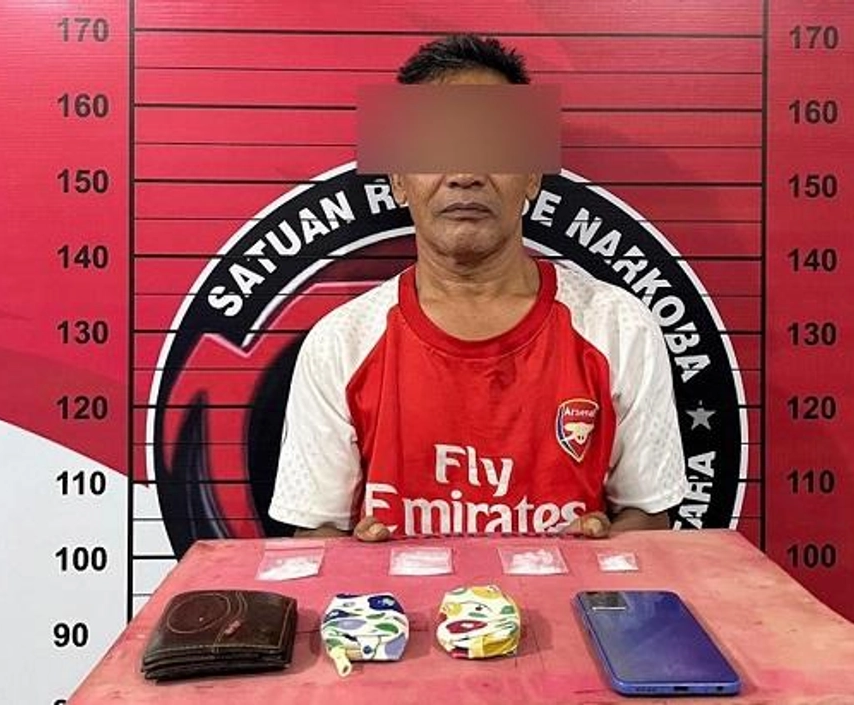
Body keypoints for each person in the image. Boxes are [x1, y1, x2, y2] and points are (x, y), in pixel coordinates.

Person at [268, 33, 686, 541]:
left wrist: (600, 550)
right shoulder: (339, 343)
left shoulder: (618, 327)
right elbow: (316, 535)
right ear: (398, 180)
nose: (465, 174)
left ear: (532, 176)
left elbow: (649, 517)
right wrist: (359, 560)